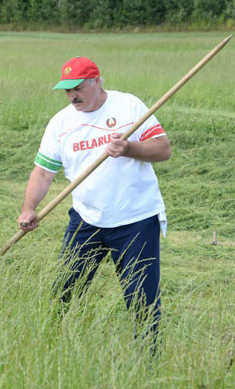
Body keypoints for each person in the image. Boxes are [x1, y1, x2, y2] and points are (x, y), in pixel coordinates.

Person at [17, 56, 171, 335]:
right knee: (64, 291)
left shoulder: (128, 105)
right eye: (67, 90)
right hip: (87, 219)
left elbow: (163, 149)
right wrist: (29, 209)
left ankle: (148, 365)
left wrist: (129, 149)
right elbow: (42, 173)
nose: (72, 96)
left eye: (78, 87)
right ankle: (52, 343)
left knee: (142, 301)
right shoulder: (60, 123)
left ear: (97, 81)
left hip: (135, 219)